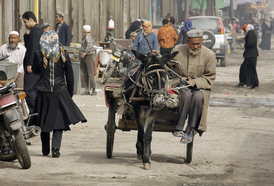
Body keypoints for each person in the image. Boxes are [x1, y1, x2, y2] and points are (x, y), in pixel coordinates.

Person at [32, 30, 87, 158]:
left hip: (43, 93)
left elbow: (35, 71)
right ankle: (55, 149)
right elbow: (70, 76)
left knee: (43, 122)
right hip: (59, 92)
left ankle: (45, 149)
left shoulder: (38, 54)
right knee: (58, 122)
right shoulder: (63, 54)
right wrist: (69, 92)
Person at [171, 29, 216, 144]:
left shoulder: (209, 55)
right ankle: (179, 126)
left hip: (201, 86)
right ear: (187, 42)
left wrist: (196, 82)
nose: (195, 46)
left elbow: (210, 77)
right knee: (185, 95)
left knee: (197, 98)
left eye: (198, 44)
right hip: (181, 83)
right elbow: (168, 63)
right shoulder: (178, 50)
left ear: (202, 42)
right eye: (193, 44)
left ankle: (189, 129)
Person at [22, 11, 43, 114]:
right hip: (33, 66)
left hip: (33, 67)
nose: (25, 24)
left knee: (29, 90)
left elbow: (34, 48)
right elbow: (28, 45)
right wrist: (27, 32)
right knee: (32, 90)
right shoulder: (34, 30)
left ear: (31, 19)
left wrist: (30, 64)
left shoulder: (36, 30)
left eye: (25, 21)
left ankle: (35, 112)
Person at [237, 24, 259, 89]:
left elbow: (250, 43)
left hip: (250, 55)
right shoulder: (252, 33)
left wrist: (245, 45)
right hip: (251, 55)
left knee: (248, 68)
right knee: (249, 68)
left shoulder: (250, 34)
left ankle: (250, 83)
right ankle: (250, 83)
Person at [80, 25, 97, 95]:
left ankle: (93, 89)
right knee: (84, 73)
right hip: (85, 57)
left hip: (89, 56)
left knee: (90, 73)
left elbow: (89, 45)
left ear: (83, 31)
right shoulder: (86, 37)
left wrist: (85, 52)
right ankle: (87, 89)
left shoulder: (87, 37)